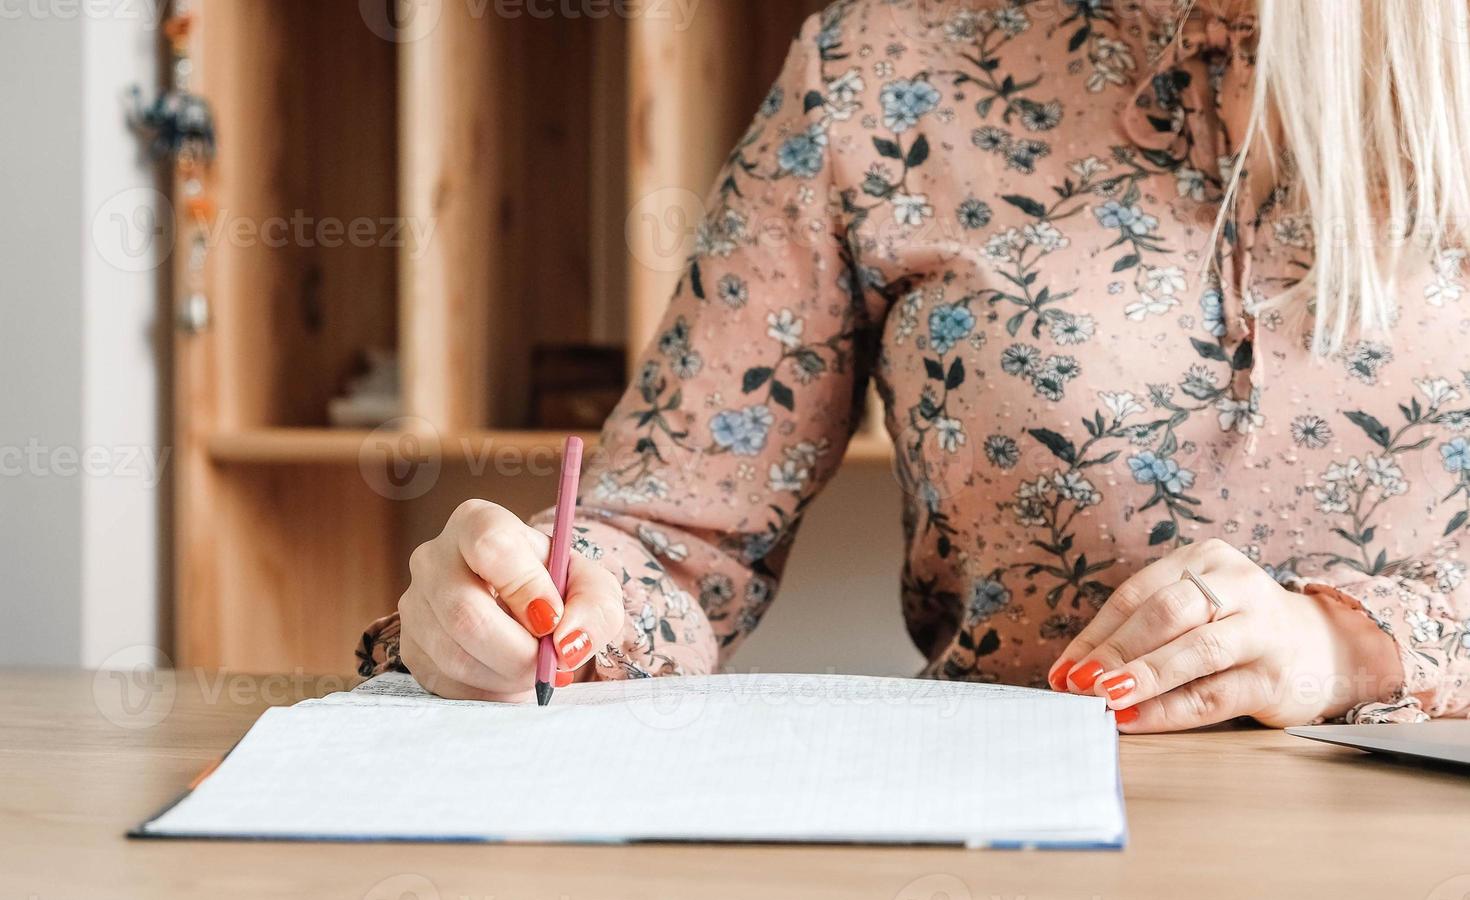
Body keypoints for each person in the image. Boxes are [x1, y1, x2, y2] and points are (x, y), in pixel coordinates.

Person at [358, 0, 1470, 730]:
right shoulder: (881, 61)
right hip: (1028, 855)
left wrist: (1349, 646)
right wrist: (540, 605)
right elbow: (678, 539)